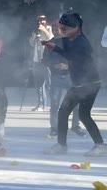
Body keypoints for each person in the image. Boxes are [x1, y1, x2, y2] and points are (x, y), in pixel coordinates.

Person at [43, 13, 106, 156]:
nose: (61, 30)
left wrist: (55, 48)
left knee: (71, 113)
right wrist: (55, 46)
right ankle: (96, 145)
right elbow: (68, 54)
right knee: (77, 114)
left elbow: (71, 57)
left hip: (88, 83)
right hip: (81, 83)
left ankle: (96, 145)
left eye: (65, 28)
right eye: (61, 27)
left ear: (76, 28)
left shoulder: (81, 42)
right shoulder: (68, 39)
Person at [44, 40, 81, 138]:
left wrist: (68, 66)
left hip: (70, 76)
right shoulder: (50, 44)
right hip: (56, 77)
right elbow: (45, 60)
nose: (57, 31)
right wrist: (55, 65)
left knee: (76, 103)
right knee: (55, 104)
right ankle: (54, 129)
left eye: (59, 29)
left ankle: (76, 126)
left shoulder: (72, 42)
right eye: (54, 29)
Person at [28, 15, 53, 111]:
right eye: (39, 20)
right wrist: (34, 38)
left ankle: (53, 104)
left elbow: (50, 38)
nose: (40, 22)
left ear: (46, 20)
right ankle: (41, 104)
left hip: (46, 61)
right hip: (36, 60)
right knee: (38, 84)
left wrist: (43, 29)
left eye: (42, 20)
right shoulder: (35, 31)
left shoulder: (49, 28)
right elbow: (31, 44)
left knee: (50, 84)